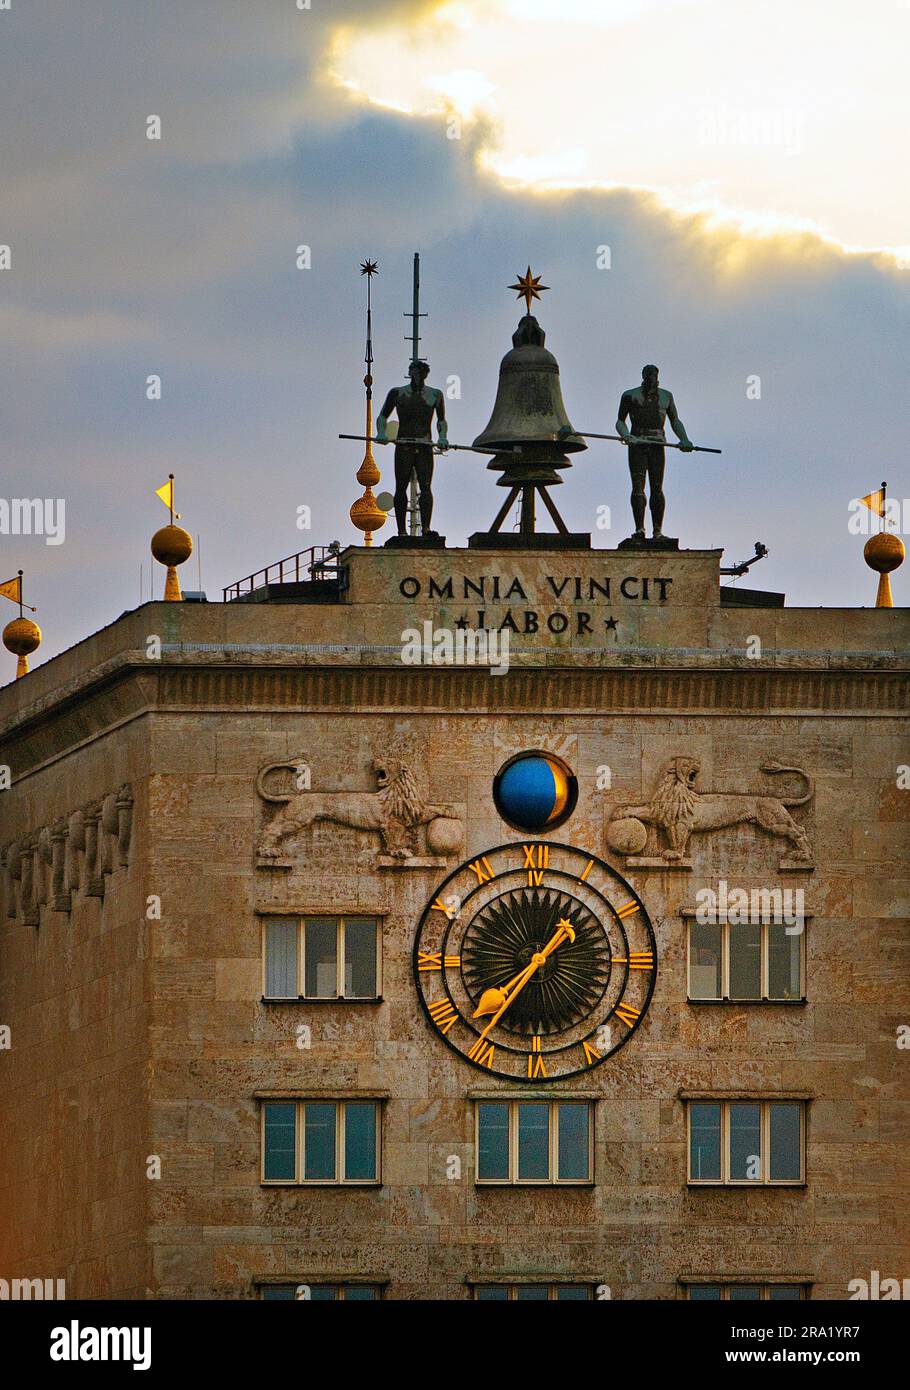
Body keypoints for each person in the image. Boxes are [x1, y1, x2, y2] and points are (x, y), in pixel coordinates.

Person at [615, 364, 693, 541]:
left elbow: (675, 421)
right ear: (643, 377)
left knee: (657, 488)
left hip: (657, 444)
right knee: (638, 486)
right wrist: (626, 435)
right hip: (638, 444)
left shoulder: (666, 396)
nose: (651, 379)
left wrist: (685, 439)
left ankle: (657, 531)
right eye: (648, 376)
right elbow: (620, 421)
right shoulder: (630, 395)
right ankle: (640, 529)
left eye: (654, 376)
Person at [377, 361, 448, 536]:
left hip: (424, 446)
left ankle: (426, 528)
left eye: (420, 373)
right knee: (401, 486)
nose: (416, 376)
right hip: (404, 445)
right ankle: (402, 531)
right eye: (413, 372)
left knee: (425, 487)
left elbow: (441, 420)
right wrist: (381, 433)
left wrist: (443, 437)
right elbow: (382, 416)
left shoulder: (435, 395)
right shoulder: (398, 393)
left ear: (425, 374)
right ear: (410, 373)